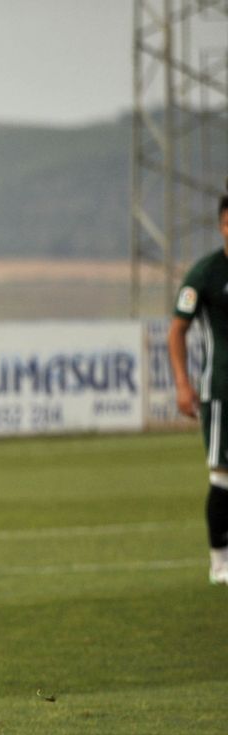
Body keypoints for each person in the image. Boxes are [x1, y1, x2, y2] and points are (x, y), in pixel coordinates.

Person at [167, 184, 228, 585]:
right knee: (223, 477)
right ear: (222, 226)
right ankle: (220, 562)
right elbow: (177, 330)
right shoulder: (205, 274)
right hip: (222, 390)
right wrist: (182, 384)